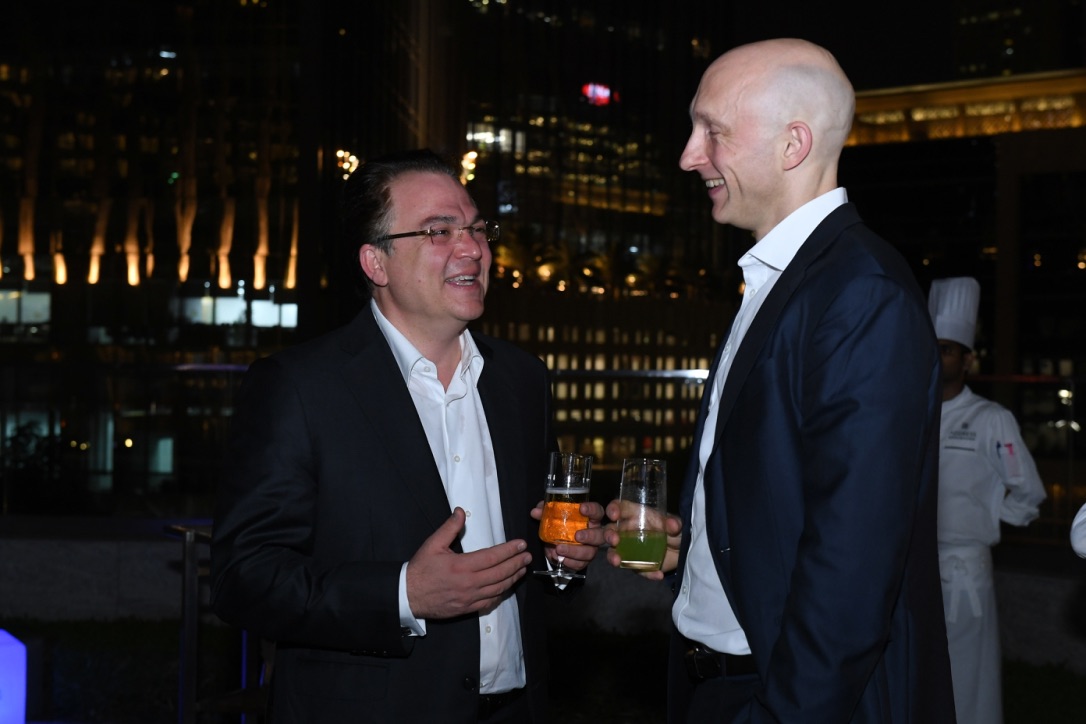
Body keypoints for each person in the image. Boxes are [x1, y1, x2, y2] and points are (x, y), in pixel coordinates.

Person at [603, 38, 956, 722]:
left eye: (713, 131)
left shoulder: (861, 294)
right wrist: (692, 548)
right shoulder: (781, 279)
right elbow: (782, 495)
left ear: (793, 144)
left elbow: (852, 569)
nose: (689, 155)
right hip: (722, 685)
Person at [210, 148, 604, 723]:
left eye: (477, 229)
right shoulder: (300, 386)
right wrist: (403, 595)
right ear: (376, 262)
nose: (473, 249)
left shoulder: (522, 379)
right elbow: (243, 579)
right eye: (439, 232)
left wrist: (562, 555)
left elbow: (531, 547)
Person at [929, 276, 1046, 724]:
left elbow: (1029, 492)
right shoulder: (913, 416)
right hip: (915, 568)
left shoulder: (990, 419)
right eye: (932, 348)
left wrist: (988, 515)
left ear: (967, 360)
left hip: (964, 572)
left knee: (967, 682)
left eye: (947, 349)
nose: (937, 357)